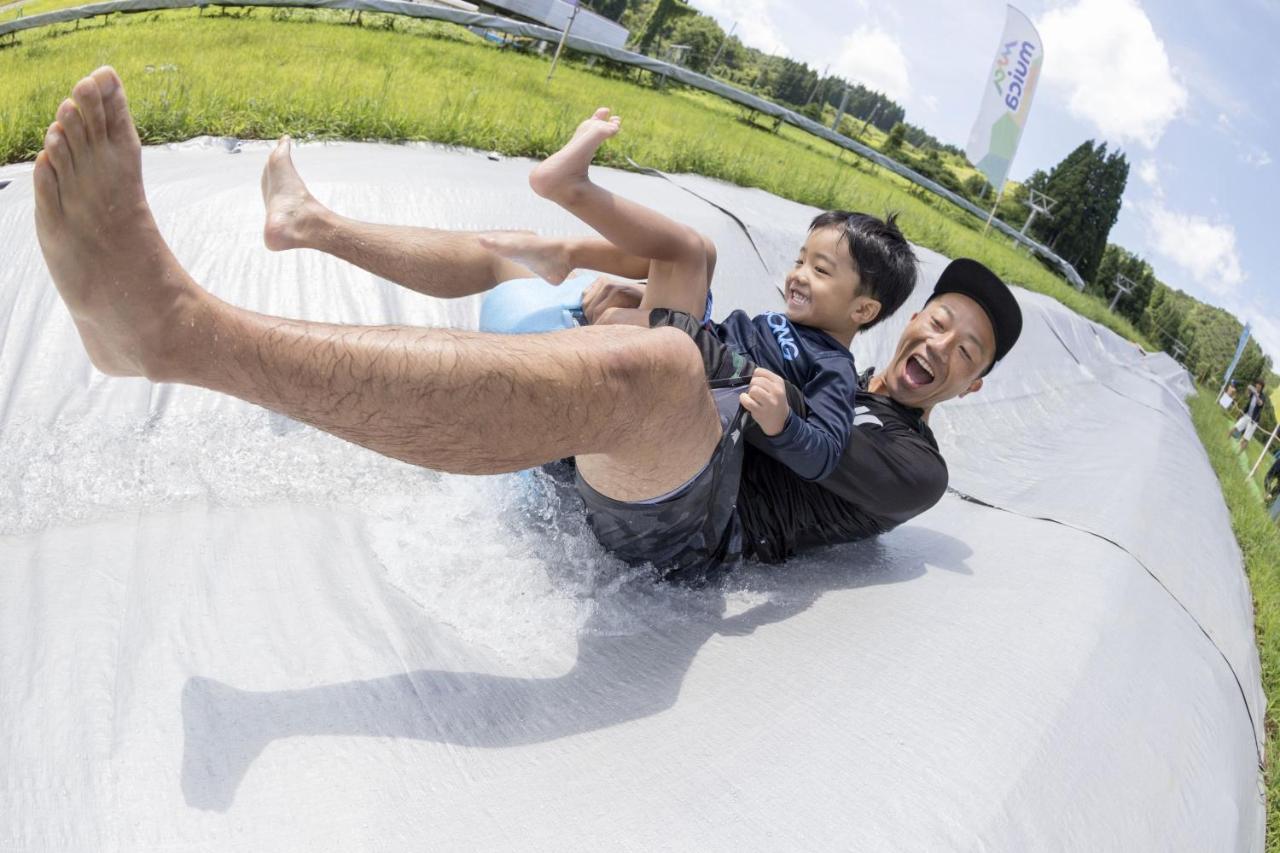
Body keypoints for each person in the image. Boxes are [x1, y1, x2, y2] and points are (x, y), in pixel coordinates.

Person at [32, 67, 1023, 583]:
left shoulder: (910, 463)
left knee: (662, 368)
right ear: (907, 319)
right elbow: (730, 344)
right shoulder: (815, 347)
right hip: (672, 446)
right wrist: (583, 266)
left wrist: (690, 353)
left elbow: (798, 445)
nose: (938, 347)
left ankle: (175, 333)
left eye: (963, 352)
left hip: (694, 530)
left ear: (970, 386)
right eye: (940, 322)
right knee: (609, 262)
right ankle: (314, 226)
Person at [479, 107, 917, 484]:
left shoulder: (832, 366)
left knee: (688, 251)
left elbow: (823, 456)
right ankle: (563, 250)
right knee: (703, 250)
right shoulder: (789, 325)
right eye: (801, 261)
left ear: (863, 308)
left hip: (694, 395)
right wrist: (648, 297)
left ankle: (570, 196)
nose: (799, 276)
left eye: (820, 271)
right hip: (695, 347)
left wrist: (782, 422)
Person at [1232, 379, 1266, 452]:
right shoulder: (1253, 392)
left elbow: (1260, 403)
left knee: (1246, 438)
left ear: (1262, 387)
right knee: (1235, 427)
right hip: (1247, 415)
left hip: (1254, 420)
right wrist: (1249, 388)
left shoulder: (1263, 396)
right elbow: (1247, 395)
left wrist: (1256, 395)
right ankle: (1226, 439)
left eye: (1260, 386)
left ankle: (1239, 453)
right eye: (1257, 384)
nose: (1258, 386)